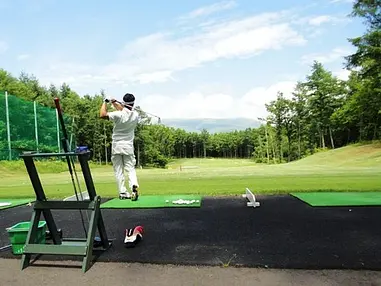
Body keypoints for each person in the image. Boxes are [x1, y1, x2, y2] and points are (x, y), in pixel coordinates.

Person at [99, 93, 140, 201]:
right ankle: (133, 186)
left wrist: (105, 102)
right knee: (130, 169)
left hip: (117, 146)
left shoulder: (118, 115)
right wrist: (113, 102)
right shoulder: (135, 115)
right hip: (128, 146)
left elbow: (102, 115)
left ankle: (123, 192)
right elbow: (124, 109)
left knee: (118, 170)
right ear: (133, 103)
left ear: (124, 102)